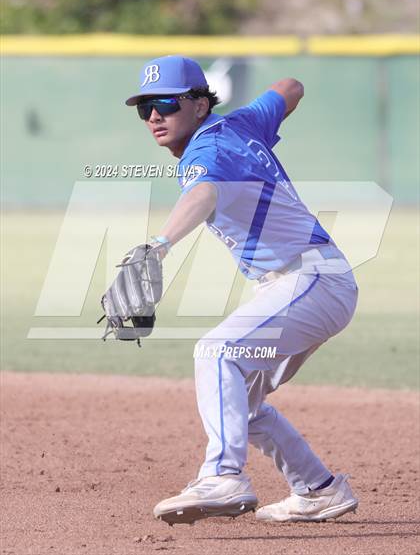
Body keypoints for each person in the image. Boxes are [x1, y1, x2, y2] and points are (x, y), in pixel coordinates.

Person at [125, 55, 359, 526]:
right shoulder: (244, 122)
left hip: (310, 280)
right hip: (313, 282)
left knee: (216, 353)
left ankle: (222, 474)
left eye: (166, 103)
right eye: (144, 107)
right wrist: (269, 106)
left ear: (198, 105)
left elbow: (204, 194)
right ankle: (317, 488)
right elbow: (291, 85)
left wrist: (159, 246)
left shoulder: (204, 153)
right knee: (239, 404)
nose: (154, 116)